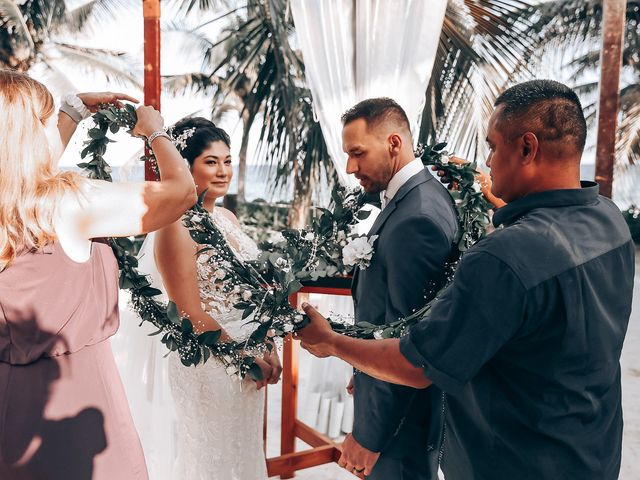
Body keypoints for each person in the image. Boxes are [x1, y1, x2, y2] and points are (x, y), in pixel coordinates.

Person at [296, 79, 635, 479]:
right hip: (592, 455)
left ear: (527, 148)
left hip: (515, 463)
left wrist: (332, 342)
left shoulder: (505, 257)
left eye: (492, 147)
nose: (487, 162)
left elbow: (416, 364)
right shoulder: (610, 220)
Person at [0, 70, 196, 479]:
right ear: (32, 134)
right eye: (48, 122)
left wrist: (72, 110)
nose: (54, 130)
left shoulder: (15, 210)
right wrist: (156, 133)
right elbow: (182, 193)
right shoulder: (71, 203)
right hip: (75, 397)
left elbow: (20, 175)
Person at [115, 117, 281, 480]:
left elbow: (254, 293)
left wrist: (267, 342)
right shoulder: (174, 225)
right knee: (212, 458)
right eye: (210, 161)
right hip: (211, 362)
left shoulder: (228, 218)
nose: (223, 171)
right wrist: (243, 353)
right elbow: (188, 313)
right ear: (185, 166)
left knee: (244, 451)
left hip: (250, 355)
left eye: (227, 161)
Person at [333, 98, 458, 480]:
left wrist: (369, 436)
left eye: (357, 153)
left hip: (400, 430)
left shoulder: (416, 217)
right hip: (396, 408)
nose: (351, 167)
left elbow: (409, 344)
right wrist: (365, 370)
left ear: (393, 144)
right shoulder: (417, 198)